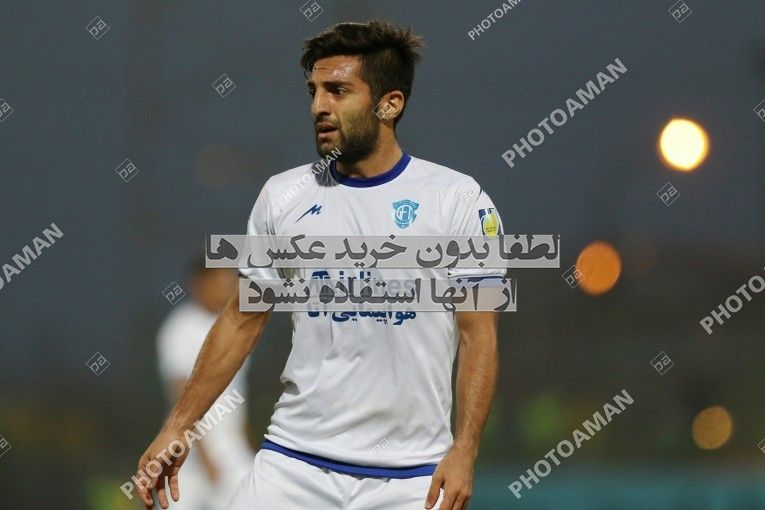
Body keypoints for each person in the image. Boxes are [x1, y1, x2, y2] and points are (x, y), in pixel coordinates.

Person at [136, 19, 503, 510]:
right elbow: (242, 319)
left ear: (390, 104)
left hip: (413, 476)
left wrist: (465, 450)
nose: (319, 107)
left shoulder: (459, 201)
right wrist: (178, 427)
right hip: (293, 464)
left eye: (338, 91)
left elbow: (479, 334)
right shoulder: (283, 196)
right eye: (314, 91)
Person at [155, 263, 255, 509]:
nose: (227, 289)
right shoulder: (181, 327)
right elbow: (181, 395)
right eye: (220, 282)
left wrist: (247, 444)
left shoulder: (236, 329)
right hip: (186, 458)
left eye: (231, 283)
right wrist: (204, 455)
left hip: (232, 455)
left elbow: (237, 397)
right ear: (200, 284)